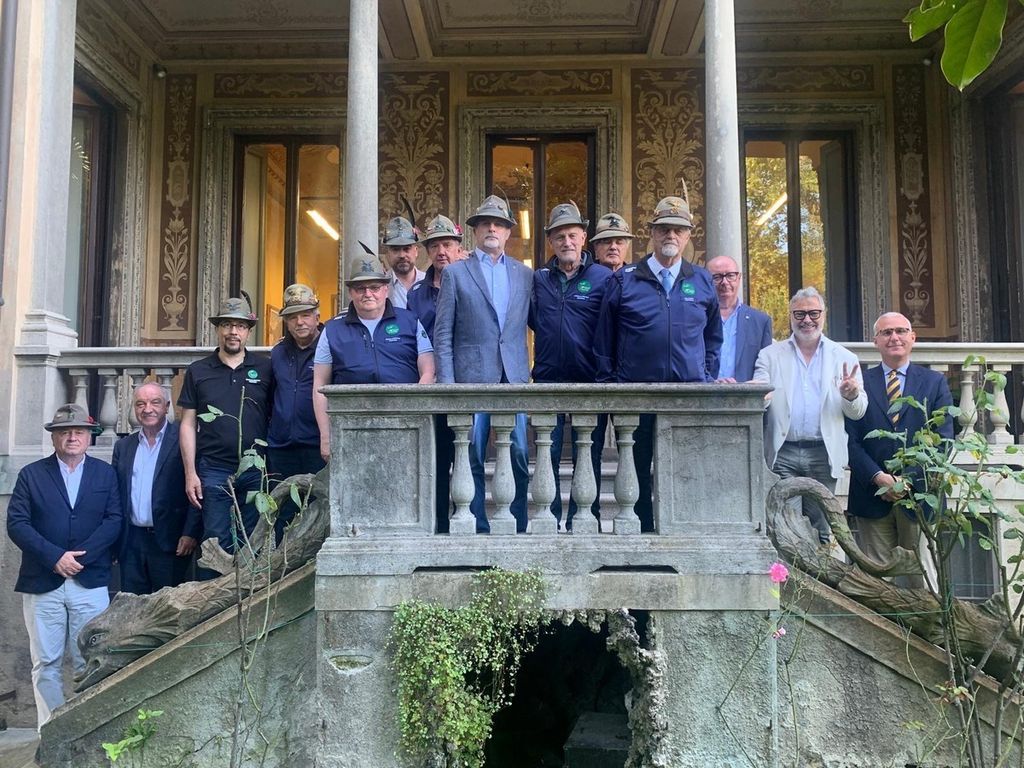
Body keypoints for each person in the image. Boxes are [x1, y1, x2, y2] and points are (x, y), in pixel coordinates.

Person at [593, 195, 723, 532]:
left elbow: (713, 338)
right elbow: (604, 341)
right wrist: (613, 388)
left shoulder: (701, 281)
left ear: (688, 235)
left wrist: (706, 377)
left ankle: (683, 533)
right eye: (664, 228)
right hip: (636, 396)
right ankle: (640, 534)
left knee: (686, 469)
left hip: (686, 397)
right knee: (635, 471)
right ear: (651, 232)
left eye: (678, 230)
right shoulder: (624, 280)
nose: (671, 235)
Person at [7, 404, 122, 727]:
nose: (72, 437)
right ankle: (52, 732)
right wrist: (55, 557)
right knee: (46, 663)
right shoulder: (31, 475)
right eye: (64, 432)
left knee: (91, 661)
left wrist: (80, 558)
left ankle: (87, 730)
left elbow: (114, 520)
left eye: (78, 432)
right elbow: (17, 524)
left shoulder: (105, 474)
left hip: (90, 582)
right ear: (53, 437)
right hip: (43, 582)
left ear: (89, 437)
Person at [434, 194, 533, 533]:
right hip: (471, 379)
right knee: (472, 454)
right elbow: (443, 334)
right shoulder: (455, 274)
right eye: (486, 224)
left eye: (500, 224)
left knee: (519, 454)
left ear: (508, 232)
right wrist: (448, 386)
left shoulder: (524, 274)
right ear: (475, 231)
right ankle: (476, 523)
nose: (492, 228)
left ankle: (517, 523)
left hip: (513, 377)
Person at [847, 312, 954, 587]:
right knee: (874, 584)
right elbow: (850, 441)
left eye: (900, 331)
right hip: (871, 495)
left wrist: (906, 481)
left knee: (924, 581)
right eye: (886, 332)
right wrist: (878, 478)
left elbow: (943, 440)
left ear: (913, 338)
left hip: (919, 496)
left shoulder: (934, 382)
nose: (894, 337)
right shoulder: (860, 384)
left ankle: (930, 619)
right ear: (875, 341)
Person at [754, 287, 866, 544]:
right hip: (783, 452)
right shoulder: (769, 355)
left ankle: (821, 570)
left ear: (824, 315)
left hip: (823, 453)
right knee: (785, 527)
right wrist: (760, 396)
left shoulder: (844, 357)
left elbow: (858, 413)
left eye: (813, 313)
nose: (807, 319)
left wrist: (851, 395)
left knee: (822, 527)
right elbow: (760, 395)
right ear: (790, 316)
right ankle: (789, 572)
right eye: (800, 314)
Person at [530, 201, 612, 530]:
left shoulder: (603, 278)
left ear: (583, 238)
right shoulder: (539, 279)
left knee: (587, 454)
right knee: (547, 454)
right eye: (560, 236)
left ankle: (585, 519)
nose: (567, 242)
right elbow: (534, 319)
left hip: (588, 380)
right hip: (548, 378)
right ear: (551, 241)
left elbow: (612, 326)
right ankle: (548, 520)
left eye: (572, 235)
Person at [313, 256, 435, 461]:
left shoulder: (410, 321)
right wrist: (325, 435)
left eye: (374, 287)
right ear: (351, 292)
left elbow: (428, 370)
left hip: (404, 422)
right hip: (350, 425)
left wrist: (416, 410)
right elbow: (319, 385)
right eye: (360, 288)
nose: (368, 294)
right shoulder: (332, 329)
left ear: (386, 289)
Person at [178, 297, 273, 558]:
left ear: (248, 332)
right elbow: (188, 425)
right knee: (215, 542)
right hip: (213, 469)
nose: (233, 331)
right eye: (227, 325)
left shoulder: (265, 368)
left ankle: (250, 587)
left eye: (240, 326)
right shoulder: (198, 371)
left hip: (255, 468)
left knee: (254, 541)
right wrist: (190, 473)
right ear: (218, 329)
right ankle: (218, 586)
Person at [112, 383, 200, 594]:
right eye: (140, 404)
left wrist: (190, 532)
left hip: (171, 541)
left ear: (167, 406)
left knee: (169, 607)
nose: (147, 409)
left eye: (155, 402)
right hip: (131, 542)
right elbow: (115, 496)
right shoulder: (123, 446)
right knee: (132, 606)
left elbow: (198, 488)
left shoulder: (184, 440)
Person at [408, 213, 464, 532]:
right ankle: (439, 524)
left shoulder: (471, 281)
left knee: (468, 457)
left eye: (447, 244)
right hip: (431, 386)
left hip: (465, 382)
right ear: (427, 251)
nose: (441, 251)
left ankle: (468, 523)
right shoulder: (417, 294)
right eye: (435, 246)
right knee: (437, 459)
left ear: (458, 248)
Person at [267, 284, 326, 541]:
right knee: (283, 514)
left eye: (305, 314)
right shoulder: (278, 353)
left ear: (317, 315)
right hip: (281, 448)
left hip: (317, 446)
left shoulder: (329, 348)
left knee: (318, 513)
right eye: (292, 317)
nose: (299, 322)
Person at [706, 255, 773, 382]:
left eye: (730, 275)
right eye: (717, 277)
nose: (724, 282)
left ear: (739, 278)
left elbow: (766, 368)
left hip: (744, 393)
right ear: (706, 281)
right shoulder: (696, 319)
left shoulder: (760, 322)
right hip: (703, 393)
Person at [382, 215, 425, 309]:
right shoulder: (380, 287)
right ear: (387, 254)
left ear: (416, 251)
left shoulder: (429, 282)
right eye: (395, 249)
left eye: (406, 249)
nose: (402, 255)